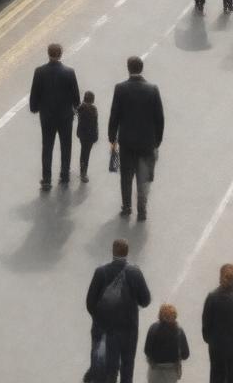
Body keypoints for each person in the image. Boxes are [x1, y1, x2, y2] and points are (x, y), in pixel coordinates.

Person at [86, 239, 152, 383]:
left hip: (105, 330)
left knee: (108, 370)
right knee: (127, 367)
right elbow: (145, 300)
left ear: (113, 252)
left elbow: (90, 303)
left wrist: (100, 319)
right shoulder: (135, 272)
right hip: (128, 330)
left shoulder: (101, 272)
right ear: (127, 252)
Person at [108, 56, 164, 221]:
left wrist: (112, 137)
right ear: (142, 68)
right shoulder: (153, 89)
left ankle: (126, 207)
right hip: (147, 142)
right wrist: (157, 141)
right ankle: (142, 210)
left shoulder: (120, 88)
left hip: (127, 142)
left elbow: (114, 115)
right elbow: (159, 118)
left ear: (128, 68)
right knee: (143, 177)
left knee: (126, 176)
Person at [28, 42, 81, 191]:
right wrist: (75, 106)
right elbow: (76, 96)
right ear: (61, 54)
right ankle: (64, 175)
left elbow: (35, 92)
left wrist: (34, 108)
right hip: (65, 116)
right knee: (66, 145)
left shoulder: (39, 72)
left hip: (47, 116)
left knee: (47, 146)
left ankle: (46, 179)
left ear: (48, 53)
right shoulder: (69, 72)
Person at [143, 304, 189, 382]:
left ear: (160, 316)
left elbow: (147, 351)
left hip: (155, 371)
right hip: (171, 373)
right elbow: (185, 354)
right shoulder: (179, 331)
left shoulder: (153, 328)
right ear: (174, 317)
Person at [202, 263, 233, 382]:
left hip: (216, 345)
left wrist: (209, 339)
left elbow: (206, 322)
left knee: (216, 374)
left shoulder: (212, 297)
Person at [77, 90, 98, 184]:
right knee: (87, 153)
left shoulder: (81, 108)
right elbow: (95, 124)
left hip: (82, 135)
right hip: (90, 136)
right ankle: (84, 172)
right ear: (92, 100)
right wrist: (96, 136)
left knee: (83, 151)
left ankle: (82, 169)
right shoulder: (94, 109)